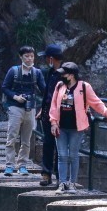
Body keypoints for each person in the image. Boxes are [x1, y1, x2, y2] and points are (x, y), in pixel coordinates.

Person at [47, 62, 107, 194]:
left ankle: (72, 183)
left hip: (76, 128)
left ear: (71, 75)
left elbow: (96, 102)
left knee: (73, 155)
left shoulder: (84, 87)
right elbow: (54, 105)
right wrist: (53, 122)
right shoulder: (60, 86)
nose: (61, 75)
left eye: (64, 73)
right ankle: (62, 183)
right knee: (62, 156)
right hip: (61, 127)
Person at [0, 46, 46, 176]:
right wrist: (15, 97)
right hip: (15, 107)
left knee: (26, 139)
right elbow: (5, 87)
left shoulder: (37, 73)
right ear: (21, 57)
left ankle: (22, 165)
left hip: (30, 108)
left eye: (31, 56)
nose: (30, 58)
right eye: (27, 56)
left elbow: (44, 90)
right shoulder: (13, 71)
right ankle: (9, 165)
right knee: (12, 136)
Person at [35, 43, 66, 186]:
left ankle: (61, 176)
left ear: (51, 58)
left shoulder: (66, 73)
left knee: (60, 146)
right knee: (48, 143)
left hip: (61, 114)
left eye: (47, 58)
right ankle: (46, 174)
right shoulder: (49, 72)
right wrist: (43, 109)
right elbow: (47, 93)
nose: (46, 60)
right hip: (48, 112)